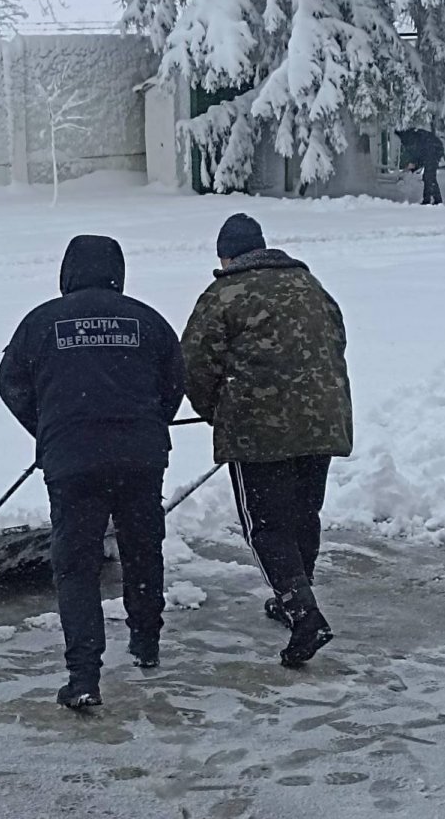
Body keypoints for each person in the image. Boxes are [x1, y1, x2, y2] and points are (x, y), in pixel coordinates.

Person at [0, 235, 184, 709]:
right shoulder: (147, 320)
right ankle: (146, 643)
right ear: (117, 272)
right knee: (142, 551)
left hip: (72, 461)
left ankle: (83, 676)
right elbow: (175, 382)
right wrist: (148, 422)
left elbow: (10, 382)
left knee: (77, 566)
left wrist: (47, 428)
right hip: (140, 459)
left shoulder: (41, 323)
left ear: (67, 272)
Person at [181, 214, 353, 668]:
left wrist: (213, 412)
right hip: (322, 422)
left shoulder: (223, 294)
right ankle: (298, 595)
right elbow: (338, 342)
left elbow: (194, 366)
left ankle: (304, 613)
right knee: (302, 514)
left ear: (227, 254)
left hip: (258, 432)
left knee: (266, 526)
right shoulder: (312, 287)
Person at [395, 128, 444, 205]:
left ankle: (433, 200)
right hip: (432, 149)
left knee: (429, 176)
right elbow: (419, 154)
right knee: (428, 177)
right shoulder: (410, 135)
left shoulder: (409, 138)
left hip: (433, 150)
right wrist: (413, 166)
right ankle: (433, 200)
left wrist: (414, 165)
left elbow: (418, 154)